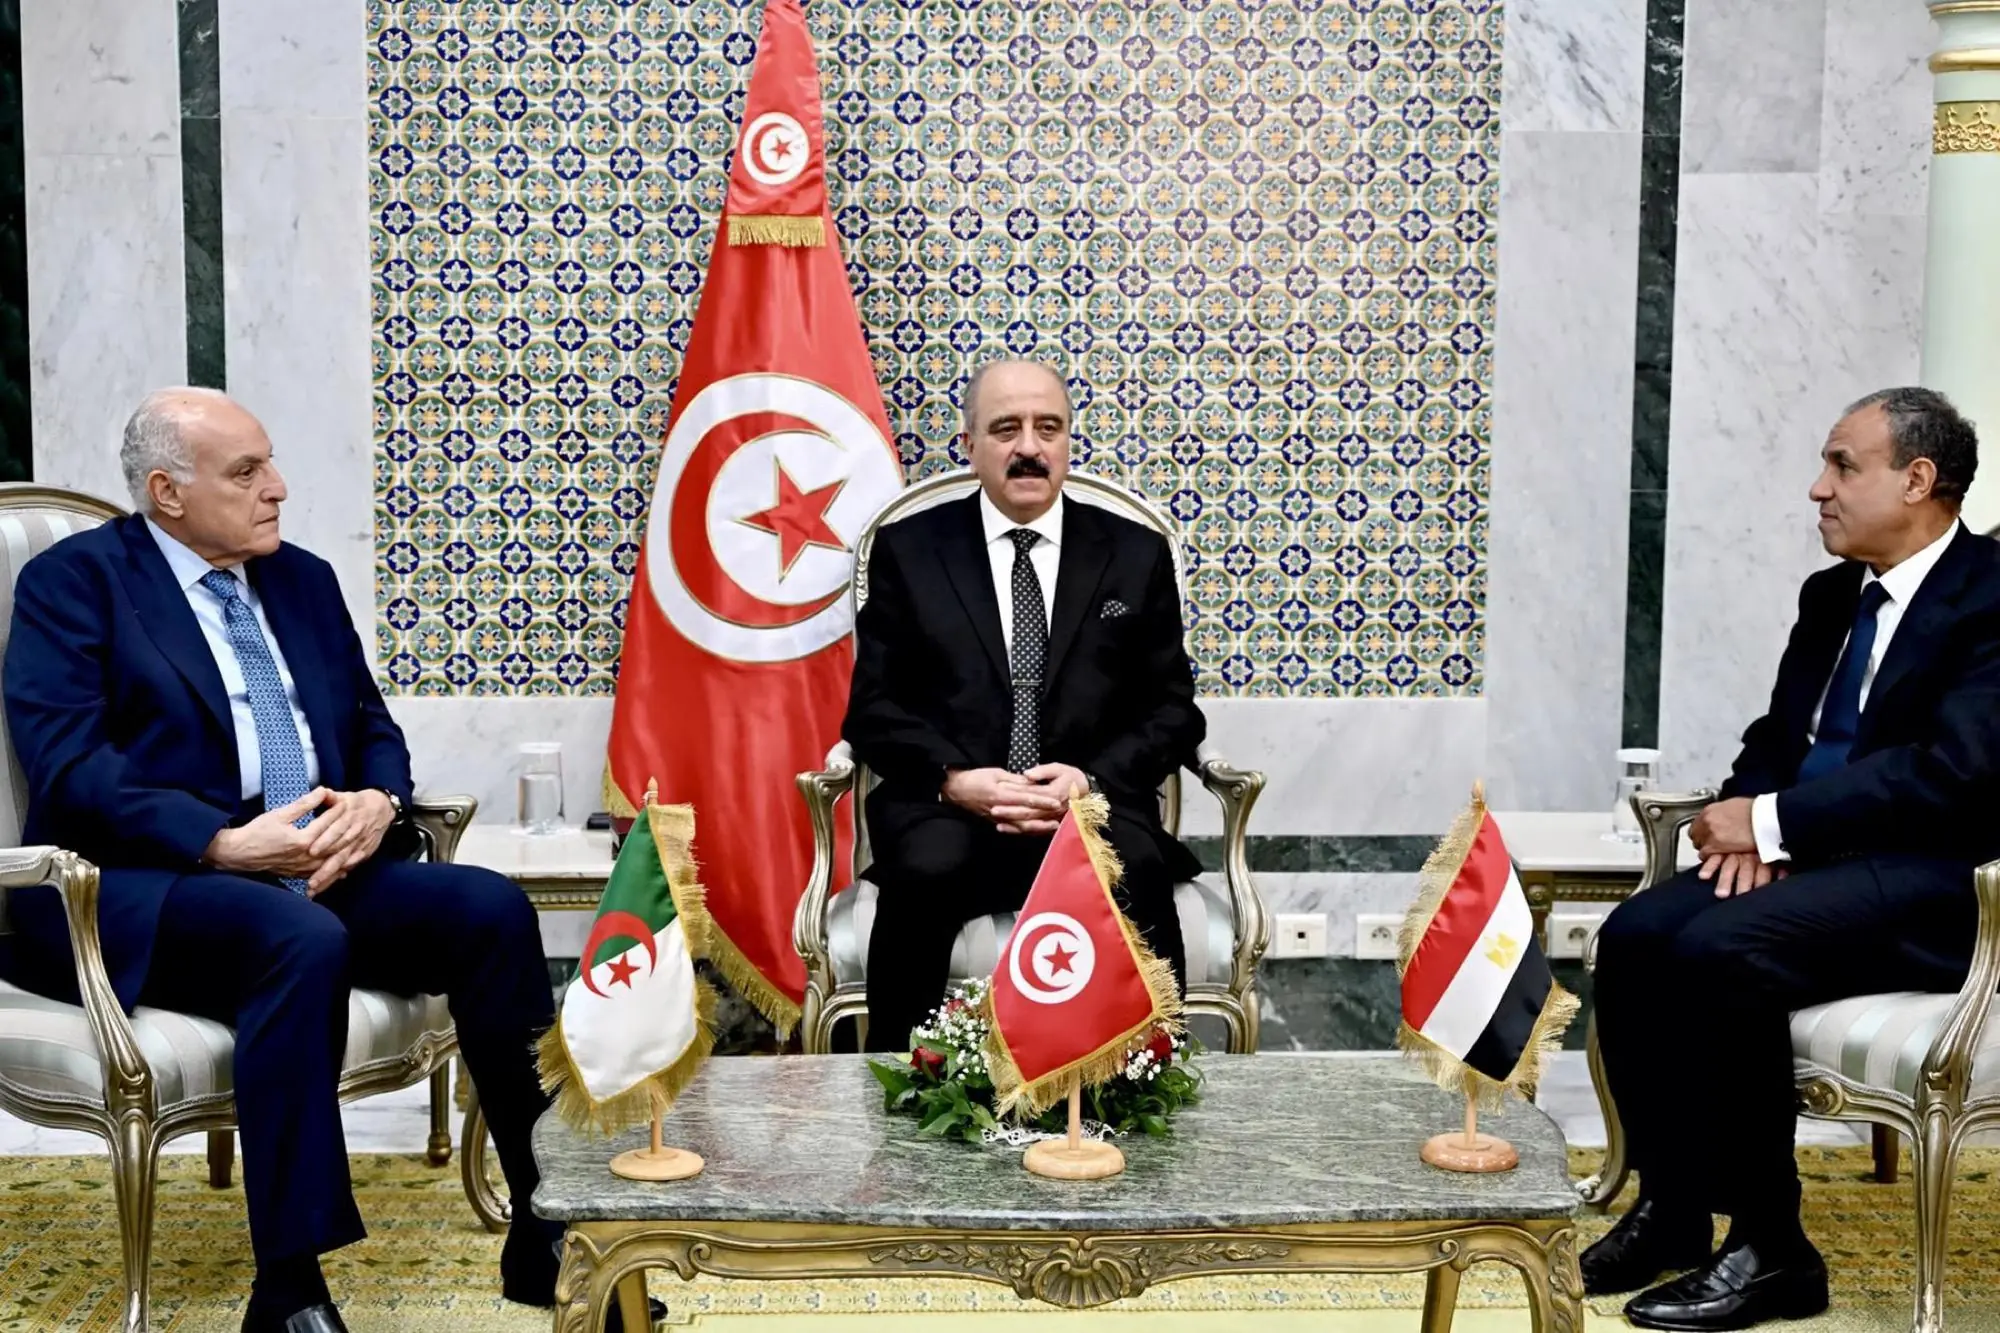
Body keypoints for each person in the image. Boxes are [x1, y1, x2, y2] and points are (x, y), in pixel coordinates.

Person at [0, 389, 628, 1332]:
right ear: (167, 492)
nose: (278, 488)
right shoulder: (75, 583)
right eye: (246, 471)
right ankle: (289, 1288)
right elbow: (69, 762)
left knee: (490, 909)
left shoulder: (300, 579)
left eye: (271, 462)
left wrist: (377, 804)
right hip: (142, 886)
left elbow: (372, 726)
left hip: (311, 867)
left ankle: (547, 1228)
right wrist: (217, 838)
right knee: (296, 938)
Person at [1583, 387, 2000, 1331]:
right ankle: (1673, 1209)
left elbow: (1952, 772)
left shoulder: (1990, 597)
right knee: (1637, 934)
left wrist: (1775, 826)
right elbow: (1779, 735)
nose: (1819, 488)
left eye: (1843, 465)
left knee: (1721, 949)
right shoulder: (1833, 594)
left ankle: (1774, 1248)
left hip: (1940, 880)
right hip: (1819, 864)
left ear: (1918, 479)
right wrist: (1748, 823)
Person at [841, 359, 1206, 1052]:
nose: (1029, 447)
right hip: (952, 809)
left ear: (1068, 440)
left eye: (1048, 427)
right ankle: (903, 1081)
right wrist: (954, 779)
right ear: (970, 444)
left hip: (1090, 807)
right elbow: (874, 709)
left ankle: (1149, 1076)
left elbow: (1173, 711)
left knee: (1136, 867)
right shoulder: (910, 551)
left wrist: (1087, 781)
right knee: (924, 870)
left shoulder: (1134, 554)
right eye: (1006, 428)